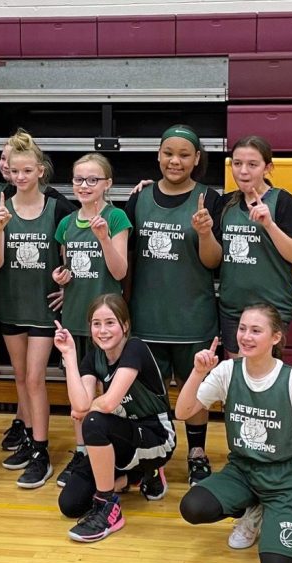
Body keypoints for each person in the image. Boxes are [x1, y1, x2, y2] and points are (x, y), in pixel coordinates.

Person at [176, 304, 292, 563]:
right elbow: (183, 412)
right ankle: (255, 507)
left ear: (275, 337)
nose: (246, 336)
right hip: (243, 471)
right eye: (242, 329)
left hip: (284, 478)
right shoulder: (227, 371)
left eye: (256, 330)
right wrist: (198, 372)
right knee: (192, 507)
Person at [125, 124, 222, 486]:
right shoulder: (140, 198)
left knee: (193, 390)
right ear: (158, 155)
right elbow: (128, 259)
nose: (175, 160)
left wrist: (205, 232)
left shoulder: (210, 199)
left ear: (197, 159)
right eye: (168, 153)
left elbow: (214, 262)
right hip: (147, 315)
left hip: (192, 317)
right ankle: (156, 457)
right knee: (150, 395)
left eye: (184, 154)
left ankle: (196, 453)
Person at [0, 129, 77, 489]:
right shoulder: (0, 205)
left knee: (36, 378)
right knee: (21, 377)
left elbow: (72, 258)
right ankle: (28, 435)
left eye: (28, 171)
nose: (20, 177)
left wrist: (67, 288)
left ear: (40, 171)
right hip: (11, 304)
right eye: (15, 171)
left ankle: (42, 450)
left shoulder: (57, 208)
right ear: (7, 170)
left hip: (42, 308)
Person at [54, 294, 176, 543]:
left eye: (110, 322)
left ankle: (108, 506)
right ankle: (135, 476)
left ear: (125, 325)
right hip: (120, 435)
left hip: (155, 436)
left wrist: (87, 409)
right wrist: (69, 355)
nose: (103, 330)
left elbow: (107, 404)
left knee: (94, 422)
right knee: (71, 505)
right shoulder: (92, 357)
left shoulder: (135, 348)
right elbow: (79, 404)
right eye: (96, 324)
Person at [52, 153, 132, 487]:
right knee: (79, 393)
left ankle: (111, 454)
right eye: (78, 180)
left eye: (92, 180)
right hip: (75, 318)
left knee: (107, 394)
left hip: (107, 325)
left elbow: (119, 271)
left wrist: (101, 237)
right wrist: (61, 279)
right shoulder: (66, 223)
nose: (84, 186)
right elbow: (70, 268)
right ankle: (83, 452)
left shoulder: (116, 218)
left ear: (107, 184)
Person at [219, 135, 292, 357]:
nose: (243, 171)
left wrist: (269, 225)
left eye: (252, 164)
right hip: (233, 309)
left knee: (263, 378)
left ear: (268, 167)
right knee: (238, 379)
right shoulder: (225, 204)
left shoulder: (284, 201)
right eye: (237, 164)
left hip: (272, 308)